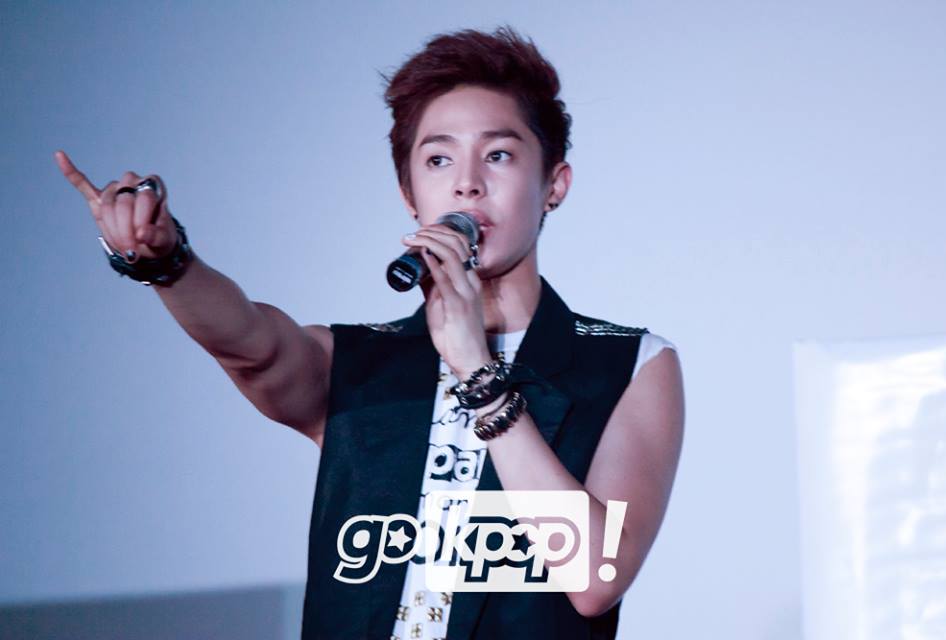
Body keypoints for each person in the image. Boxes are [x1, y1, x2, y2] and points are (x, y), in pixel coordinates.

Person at [56, 25, 684, 640]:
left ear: (554, 185)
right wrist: (167, 263)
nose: (467, 182)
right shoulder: (358, 361)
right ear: (409, 194)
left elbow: (595, 579)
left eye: (498, 155)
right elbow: (248, 344)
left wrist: (478, 373)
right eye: (438, 159)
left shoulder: (630, 364)